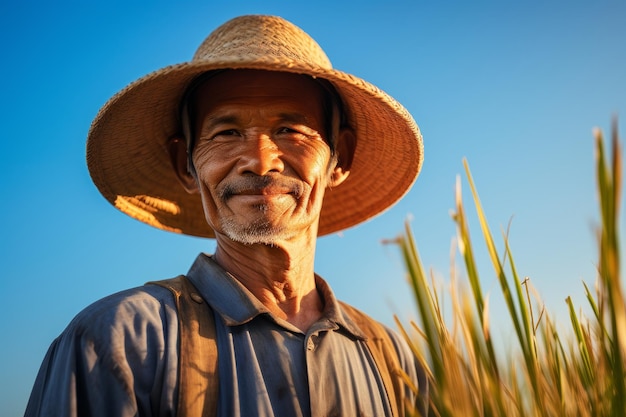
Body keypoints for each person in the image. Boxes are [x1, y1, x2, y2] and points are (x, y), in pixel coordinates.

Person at [25, 15, 427, 417]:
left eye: (290, 129)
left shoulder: (397, 368)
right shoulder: (120, 342)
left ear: (340, 158)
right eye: (226, 133)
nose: (260, 160)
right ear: (186, 165)